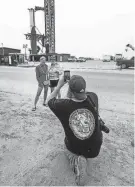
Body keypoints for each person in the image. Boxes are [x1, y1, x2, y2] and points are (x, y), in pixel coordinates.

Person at [46, 75, 103, 186]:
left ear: (70, 90)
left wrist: (59, 86)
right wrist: (77, 86)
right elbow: (86, 94)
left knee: (66, 148)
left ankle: (76, 159)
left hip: (75, 146)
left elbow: (49, 100)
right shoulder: (93, 97)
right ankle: (88, 167)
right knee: (90, 153)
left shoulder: (62, 105)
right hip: (95, 144)